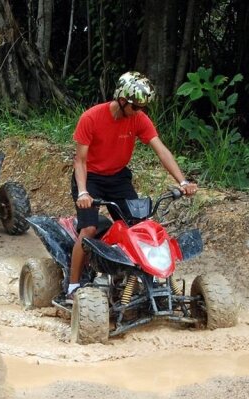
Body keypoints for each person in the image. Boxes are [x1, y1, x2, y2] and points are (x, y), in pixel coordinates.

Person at [61, 71, 199, 305]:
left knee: (138, 228)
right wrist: (83, 192)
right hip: (90, 177)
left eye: (143, 107)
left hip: (118, 179)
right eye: (136, 107)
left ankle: (136, 280)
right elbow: (80, 161)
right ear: (122, 100)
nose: (139, 112)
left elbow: (161, 150)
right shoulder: (91, 118)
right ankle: (73, 285)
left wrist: (182, 181)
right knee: (89, 230)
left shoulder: (138, 119)